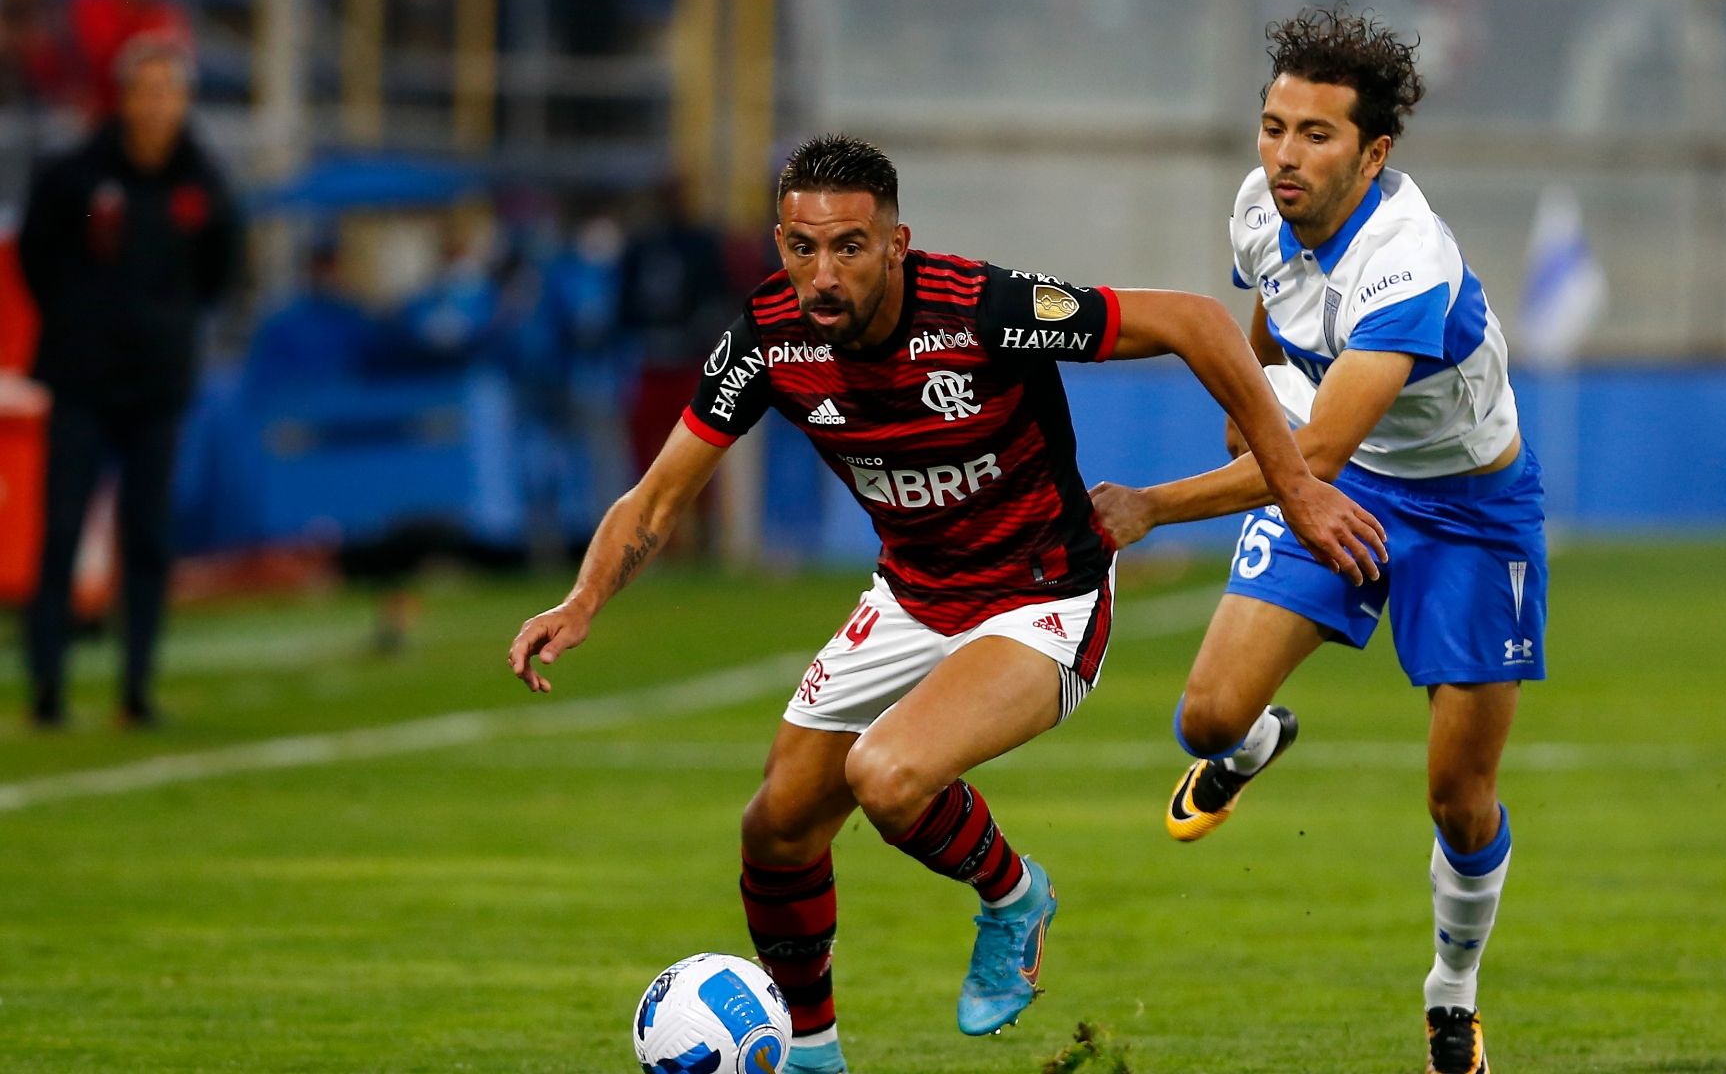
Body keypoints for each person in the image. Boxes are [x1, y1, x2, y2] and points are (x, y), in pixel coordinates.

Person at [508, 134, 1385, 1074]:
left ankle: (1016, 899)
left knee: (887, 777)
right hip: (912, 594)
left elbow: (1200, 323)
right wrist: (584, 597)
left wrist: (1293, 487)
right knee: (775, 828)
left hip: (1043, 597)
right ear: (778, 245)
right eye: (802, 248)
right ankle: (813, 1056)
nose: (823, 274)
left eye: (849, 246)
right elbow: (657, 495)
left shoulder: (982, 309)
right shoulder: (767, 338)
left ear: (897, 242)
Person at [1088, 9, 1545, 1074]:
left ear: (1374, 154)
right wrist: (1254, 403)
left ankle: (1451, 995)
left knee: (1458, 796)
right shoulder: (1261, 204)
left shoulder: (1405, 269)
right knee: (1204, 718)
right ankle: (1253, 746)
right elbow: (1265, 319)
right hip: (1331, 463)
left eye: (1317, 135)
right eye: (1273, 126)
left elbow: (1315, 466)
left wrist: (1152, 507)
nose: (1285, 155)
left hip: (1466, 514)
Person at [16, 35, 239, 728]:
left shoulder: (203, 183)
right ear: (124, 96)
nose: (155, 105)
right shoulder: (77, 175)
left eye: (167, 91)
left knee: (147, 538)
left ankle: (136, 689)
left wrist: (161, 330)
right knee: (60, 531)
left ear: (184, 99)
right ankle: (46, 690)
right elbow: (36, 258)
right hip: (82, 381)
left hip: (157, 385)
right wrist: (85, 326)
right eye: (144, 90)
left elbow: (218, 273)